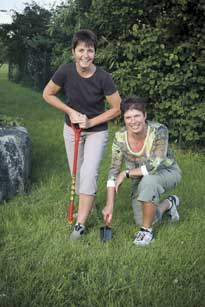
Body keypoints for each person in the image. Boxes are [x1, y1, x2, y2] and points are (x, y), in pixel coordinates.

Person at [43, 29, 121, 239]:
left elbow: (116, 108)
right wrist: (70, 111)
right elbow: (47, 94)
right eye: (81, 50)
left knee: (89, 173)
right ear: (73, 51)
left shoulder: (104, 78)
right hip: (71, 129)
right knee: (77, 174)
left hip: (96, 131)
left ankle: (80, 224)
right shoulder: (65, 71)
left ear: (95, 52)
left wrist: (91, 121)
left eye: (90, 50)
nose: (85, 55)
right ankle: (88, 205)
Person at [102, 96, 182, 246]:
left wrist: (126, 173)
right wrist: (109, 204)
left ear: (144, 115)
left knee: (149, 181)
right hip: (139, 176)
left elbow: (154, 165)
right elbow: (113, 171)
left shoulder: (159, 130)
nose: (133, 121)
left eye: (137, 115)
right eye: (128, 117)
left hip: (167, 171)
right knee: (144, 217)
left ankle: (146, 232)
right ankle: (169, 203)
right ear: (124, 119)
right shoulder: (120, 138)